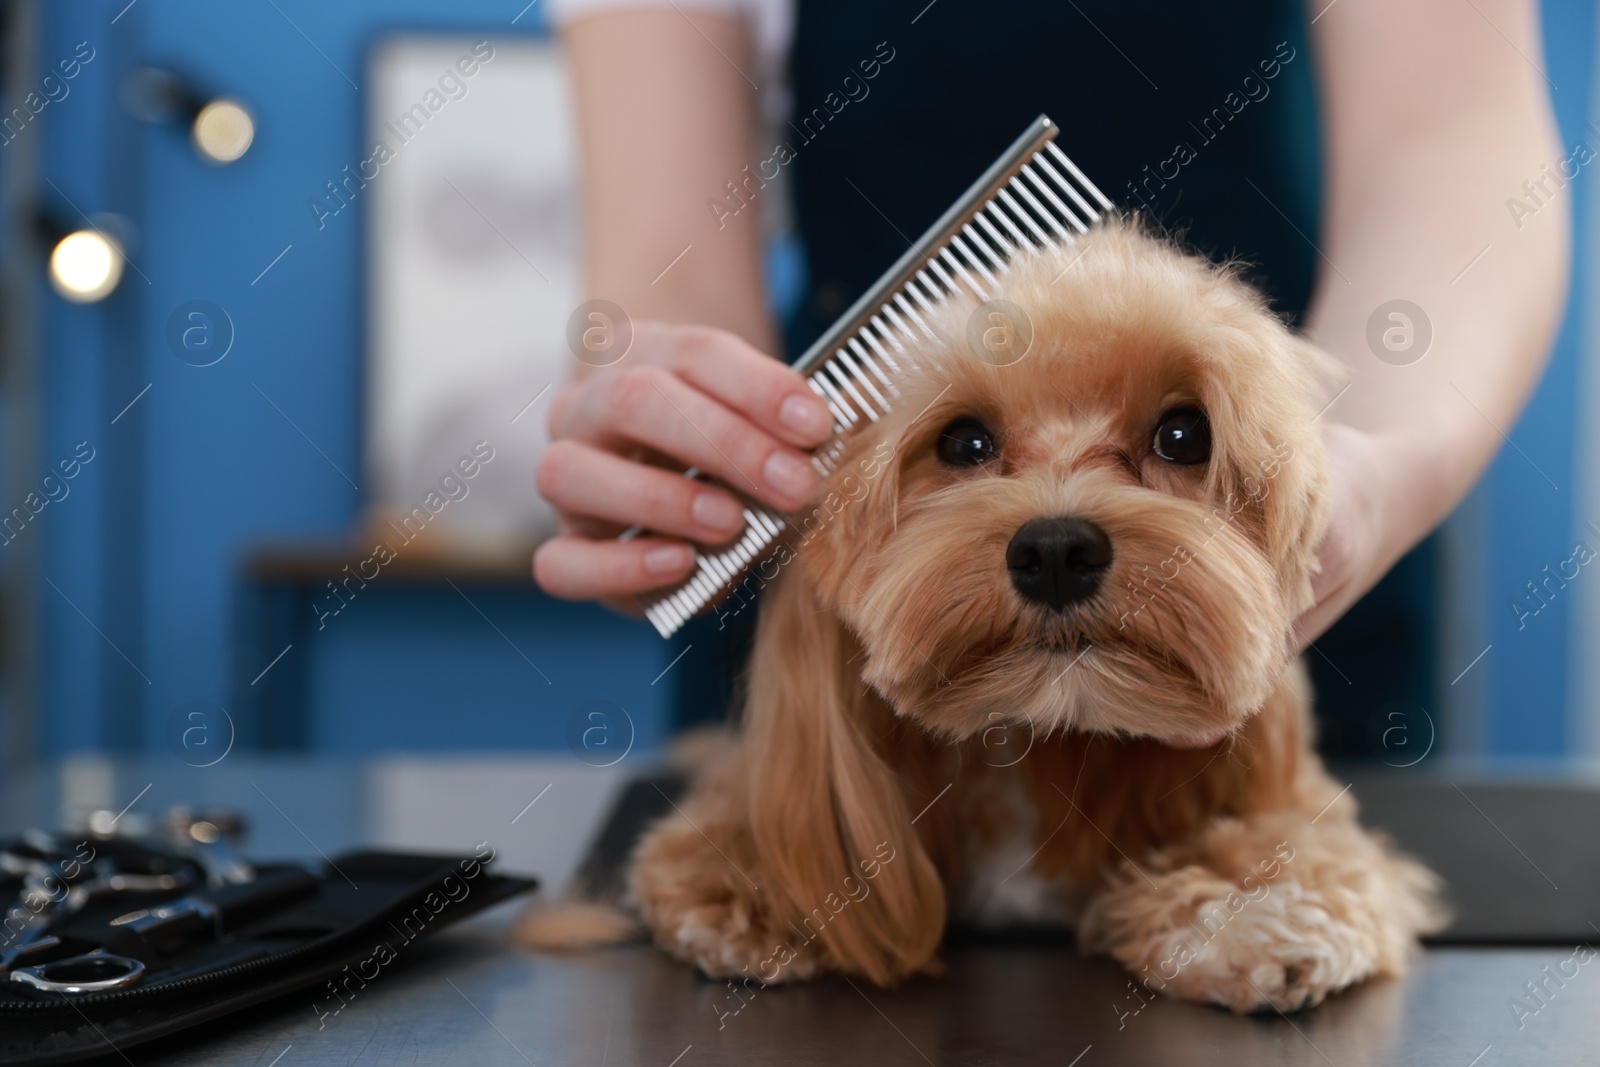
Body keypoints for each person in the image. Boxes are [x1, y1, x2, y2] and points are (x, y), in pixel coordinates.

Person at [532, 0, 1569, 714]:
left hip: (1283, 567)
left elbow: (1444, 140)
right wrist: (665, 434)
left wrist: (1367, 464)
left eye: (1163, 433)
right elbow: (669, 262)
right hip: (844, 619)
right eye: (977, 440)